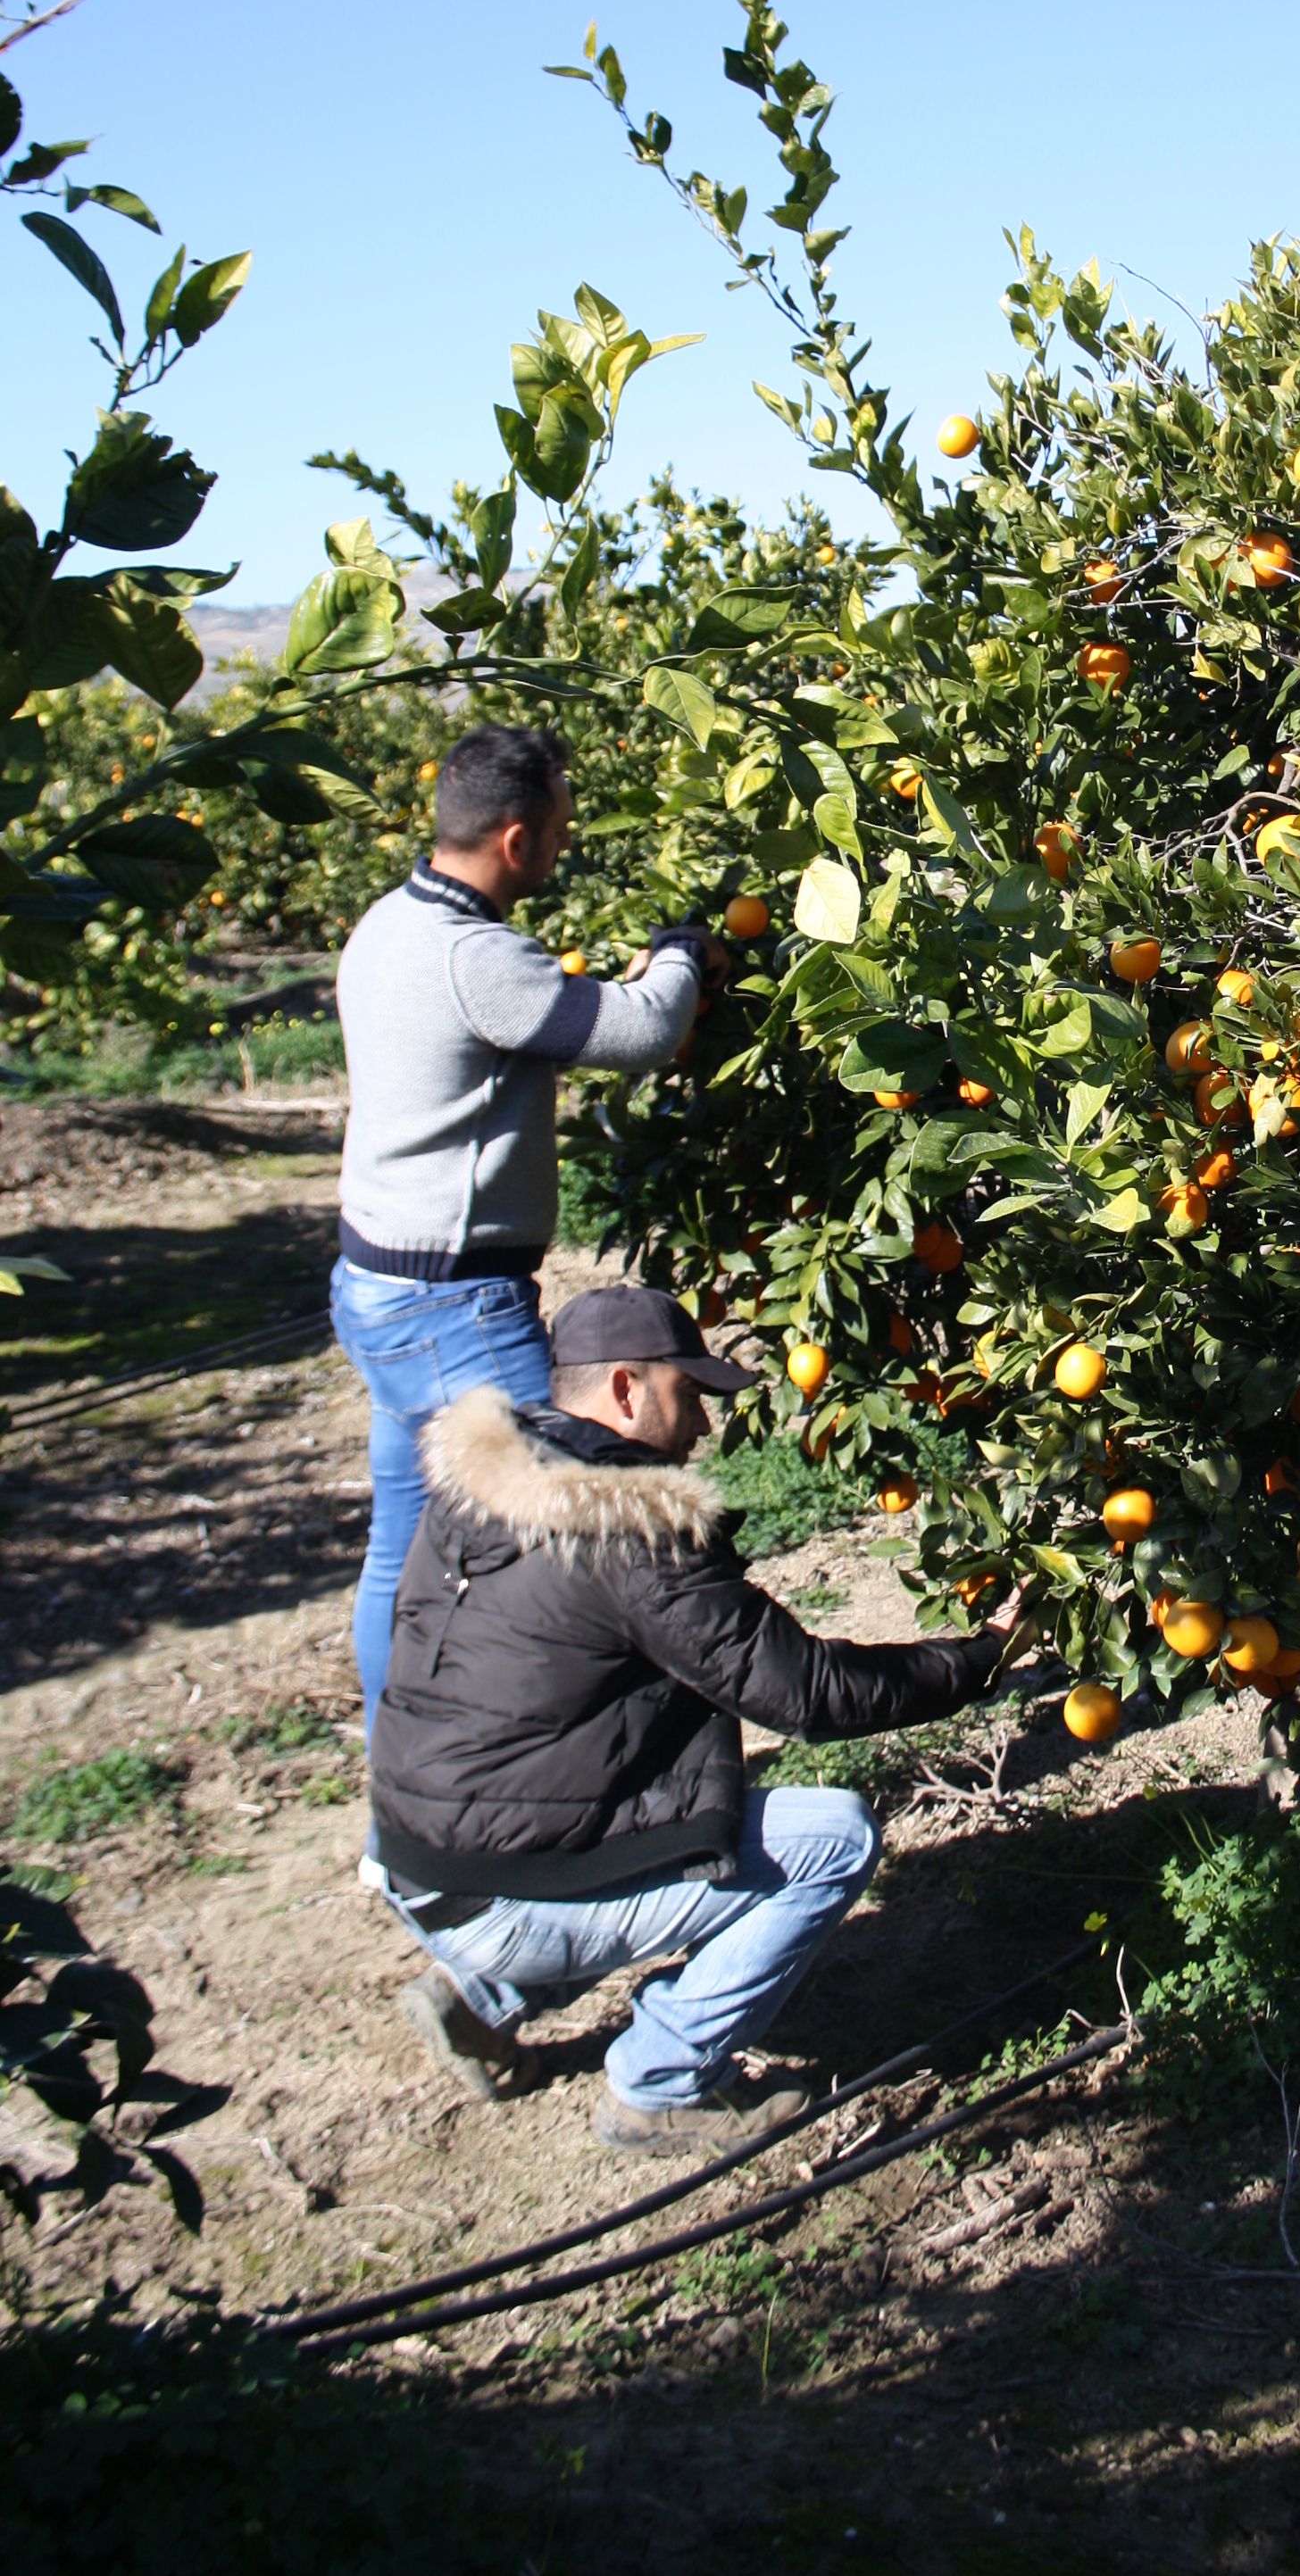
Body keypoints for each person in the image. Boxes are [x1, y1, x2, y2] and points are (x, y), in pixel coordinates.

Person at [367, 1284, 1013, 2156]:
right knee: (832, 1837)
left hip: (420, 1858)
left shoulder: (489, 1481)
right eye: (688, 1395)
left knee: (661, 1804)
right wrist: (980, 1658)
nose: (703, 1429)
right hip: (495, 1885)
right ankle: (659, 2083)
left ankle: (480, 1997)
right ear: (627, 1389)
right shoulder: (625, 1528)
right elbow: (806, 1692)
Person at [331, 723, 721, 1726]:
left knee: (407, 1537)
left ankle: (405, 1759)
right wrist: (680, 954)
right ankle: (531, 1766)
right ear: (515, 841)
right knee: (561, 1524)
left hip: (378, 1284)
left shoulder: (385, 924)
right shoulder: (474, 956)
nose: (563, 845)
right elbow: (643, 1033)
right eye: (556, 829)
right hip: (452, 1305)